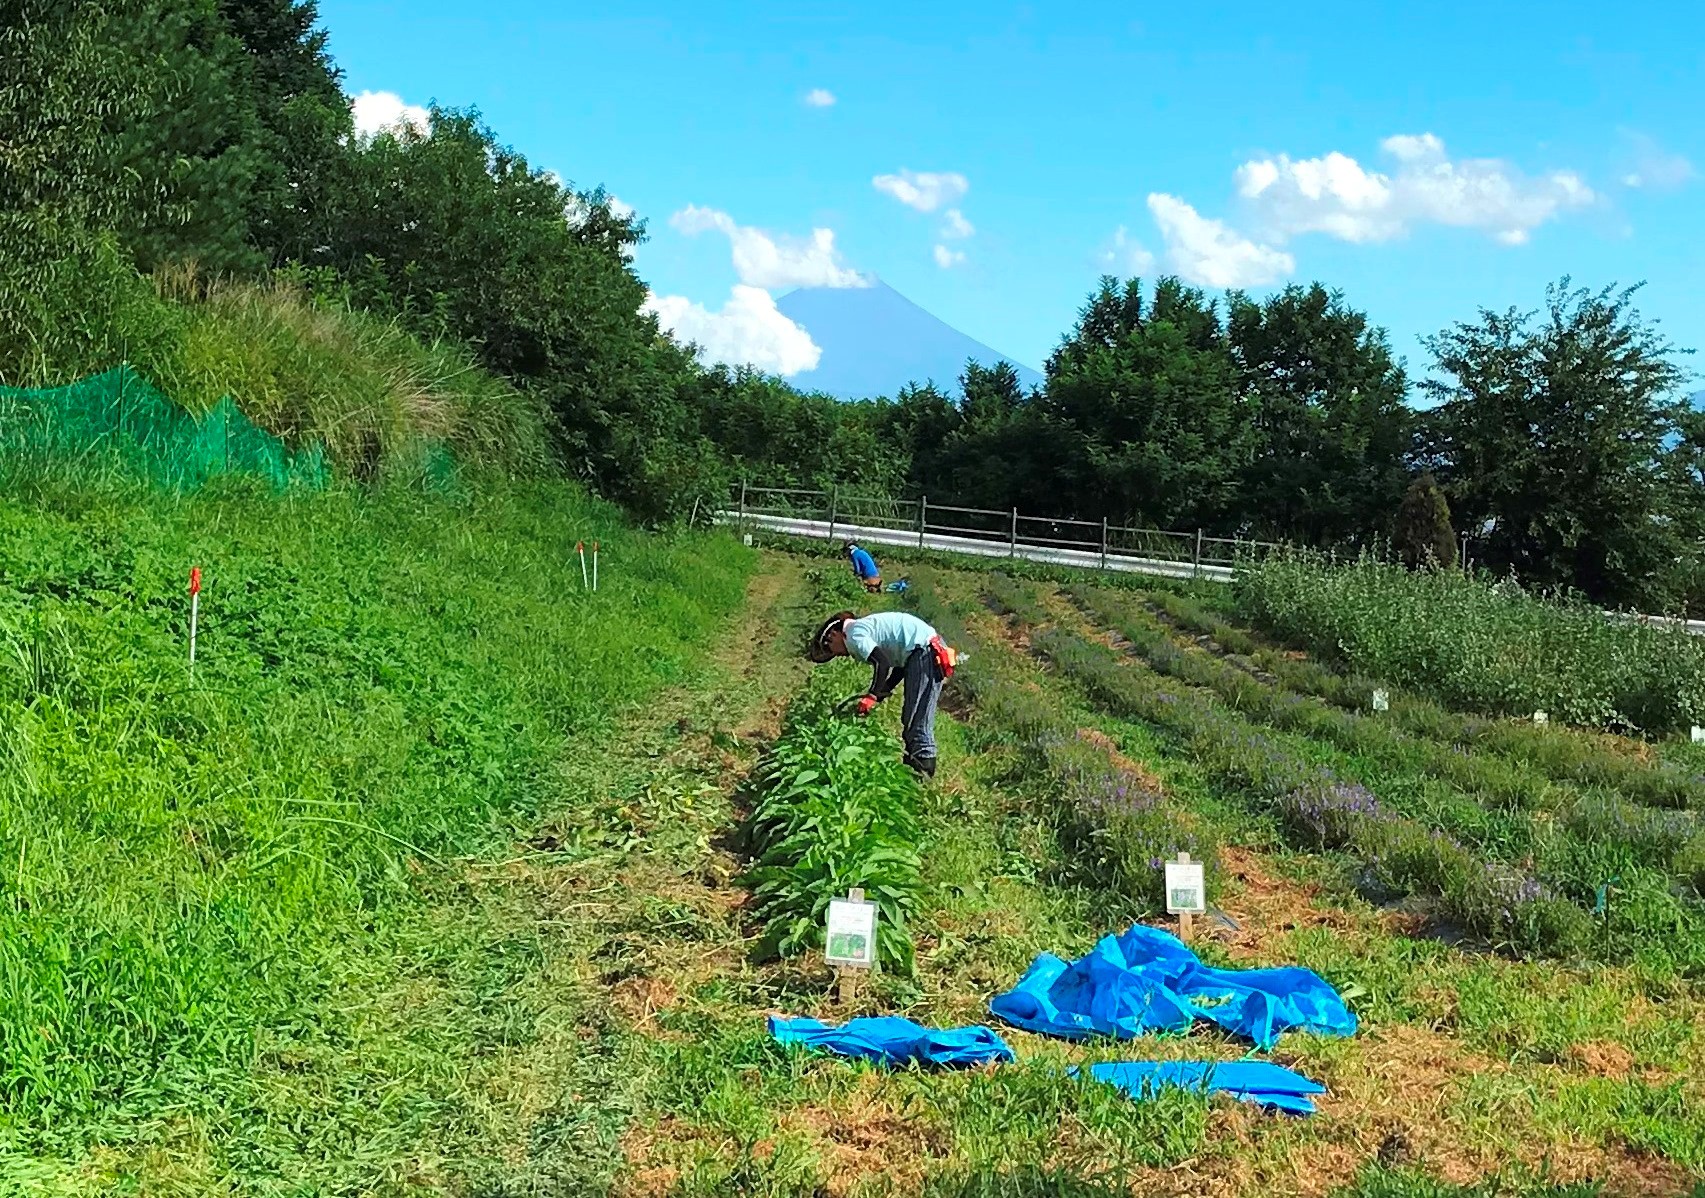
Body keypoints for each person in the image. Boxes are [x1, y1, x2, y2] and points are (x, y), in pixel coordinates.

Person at [808, 608, 956, 778]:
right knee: (911, 718)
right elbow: (900, 666)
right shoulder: (860, 629)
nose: (837, 654)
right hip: (921, 652)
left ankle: (923, 776)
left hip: (925, 651)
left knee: (918, 720)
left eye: (830, 648)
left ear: (834, 634)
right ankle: (912, 772)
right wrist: (881, 692)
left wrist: (872, 695)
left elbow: (882, 663)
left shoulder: (855, 635)